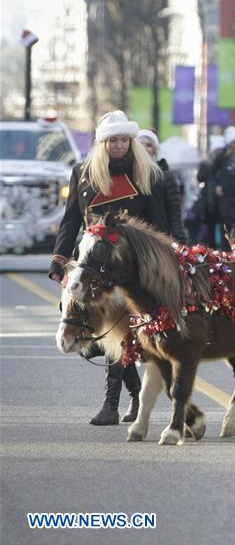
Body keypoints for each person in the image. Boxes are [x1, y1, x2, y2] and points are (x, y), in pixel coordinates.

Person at [48, 111, 168, 426]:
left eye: (124, 140)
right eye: (113, 140)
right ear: (103, 142)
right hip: (88, 264)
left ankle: (110, 405)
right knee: (86, 339)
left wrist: (169, 260)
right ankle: (134, 389)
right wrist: (59, 259)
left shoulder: (148, 174)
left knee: (119, 329)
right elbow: (71, 220)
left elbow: (159, 225)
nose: (119, 146)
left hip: (131, 267)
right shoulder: (83, 173)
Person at [136, 129, 188, 243]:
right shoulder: (127, 175)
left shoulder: (166, 177)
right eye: (140, 145)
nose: (144, 148)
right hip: (132, 239)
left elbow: (174, 213)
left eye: (149, 145)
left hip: (158, 239)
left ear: (155, 150)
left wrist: (180, 240)